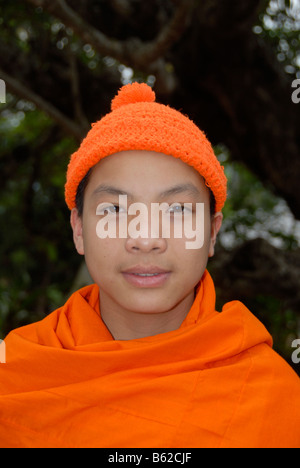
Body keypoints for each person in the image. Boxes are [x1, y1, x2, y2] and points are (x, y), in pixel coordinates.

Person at [0, 83, 299, 448]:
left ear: (212, 233)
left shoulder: (272, 396)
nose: (145, 238)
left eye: (177, 211)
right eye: (115, 210)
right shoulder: (16, 372)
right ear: (78, 229)